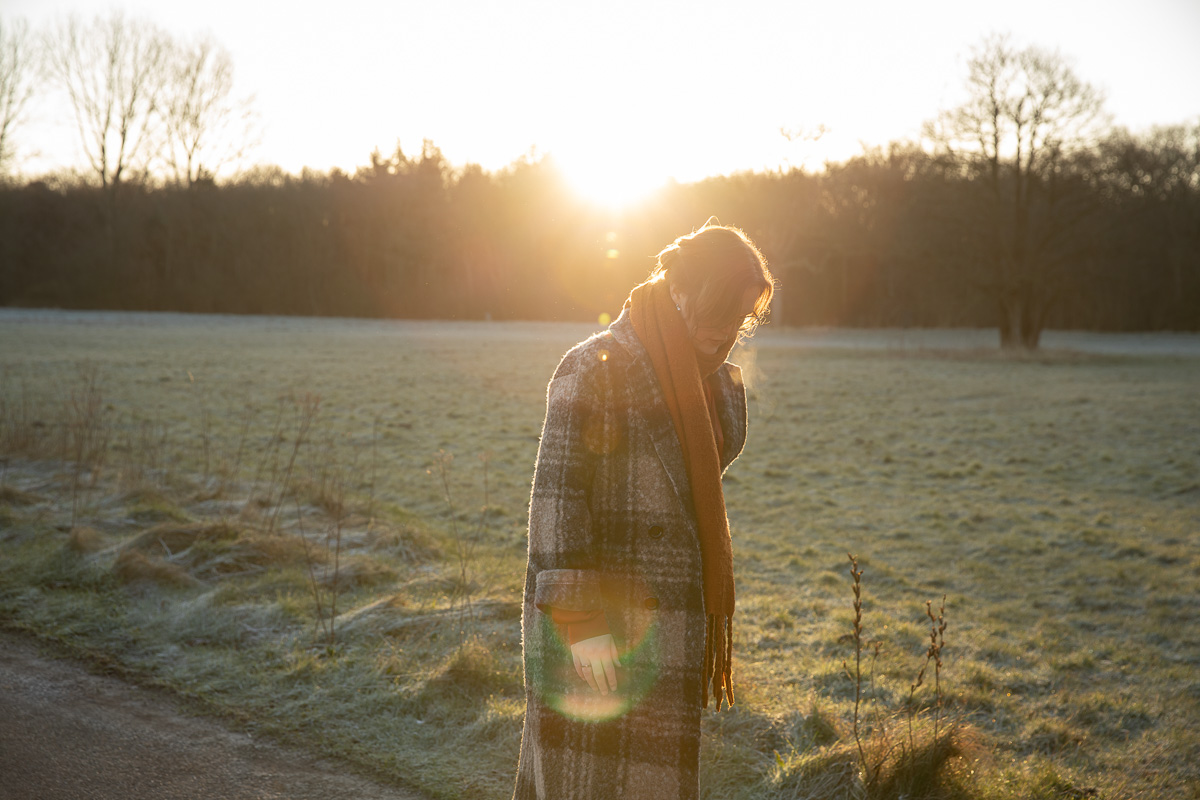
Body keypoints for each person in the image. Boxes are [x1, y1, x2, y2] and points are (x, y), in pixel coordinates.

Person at [511, 219, 775, 800]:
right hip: (596, 636)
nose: (728, 333)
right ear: (681, 292)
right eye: (719, 315)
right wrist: (581, 625)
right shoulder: (595, 366)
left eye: (739, 320)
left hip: (665, 631)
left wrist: (718, 383)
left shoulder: (705, 381)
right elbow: (555, 504)